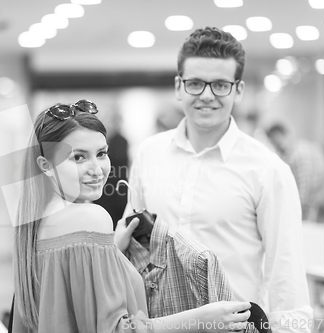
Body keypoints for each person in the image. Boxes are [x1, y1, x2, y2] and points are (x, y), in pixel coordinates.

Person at [115, 27, 312, 333]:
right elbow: (133, 248)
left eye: (220, 84)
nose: (207, 95)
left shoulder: (267, 169)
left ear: (239, 90)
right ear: (179, 87)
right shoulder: (149, 154)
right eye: (195, 83)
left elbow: (285, 277)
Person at [11, 100, 251, 332]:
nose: (97, 169)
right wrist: (204, 318)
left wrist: (110, 249)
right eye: (79, 157)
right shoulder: (90, 217)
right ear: (45, 165)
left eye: (101, 153)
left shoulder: (34, 222)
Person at [266, 122, 324, 221]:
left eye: (274, 141)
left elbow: (304, 186)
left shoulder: (299, 154)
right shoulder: (291, 153)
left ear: (279, 135)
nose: (274, 145)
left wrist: (297, 213)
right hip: (307, 207)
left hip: (309, 209)